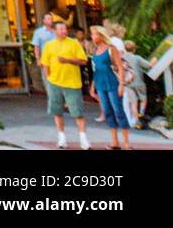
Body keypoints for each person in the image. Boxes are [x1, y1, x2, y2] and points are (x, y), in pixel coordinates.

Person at [41, 19, 91, 150]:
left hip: (72, 83)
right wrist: (49, 78)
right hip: (54, 83)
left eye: (65, 29)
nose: (64, 31)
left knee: (77, 112)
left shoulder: (74, 43)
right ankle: (62, 138)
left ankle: (83, 139)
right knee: (56, 111)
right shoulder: (49, 45)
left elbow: (83, 61)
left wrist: (67, 60)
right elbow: (45, 63)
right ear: (55, 31)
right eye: (61, 29)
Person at [88, 26, 131, 150]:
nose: (92, 37)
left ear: (101, 35)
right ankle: (115, 142)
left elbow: (120, 66)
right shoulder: (95, 51)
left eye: (95, 34)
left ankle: (126, 143)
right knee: (107, 112)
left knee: (118, 112)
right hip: (100, 84)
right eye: (92, 34)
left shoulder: (111, 49)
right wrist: (92, 88)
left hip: (112, 83)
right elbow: (95, 70)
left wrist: (121, 84)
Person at [122, 41, 149, 129]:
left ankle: (137, 122)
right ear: (134, 49)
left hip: (128, 84)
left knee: (133, 103)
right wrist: (154, 59)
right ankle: (141, 113)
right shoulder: (137, 58)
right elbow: (148, 65)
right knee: (143, 99)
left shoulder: (122, 58)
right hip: (139, 83)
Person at [30, 13, 55, 90]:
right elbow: (36, 46)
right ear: (44, 21)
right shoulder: (38, 32)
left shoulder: (57, 31)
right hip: (45, 60)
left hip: (57, 59)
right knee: (47, 80)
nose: (50, 20)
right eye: (48, 19)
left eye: (51, 19)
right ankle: (51, 97)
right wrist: (38, 59)